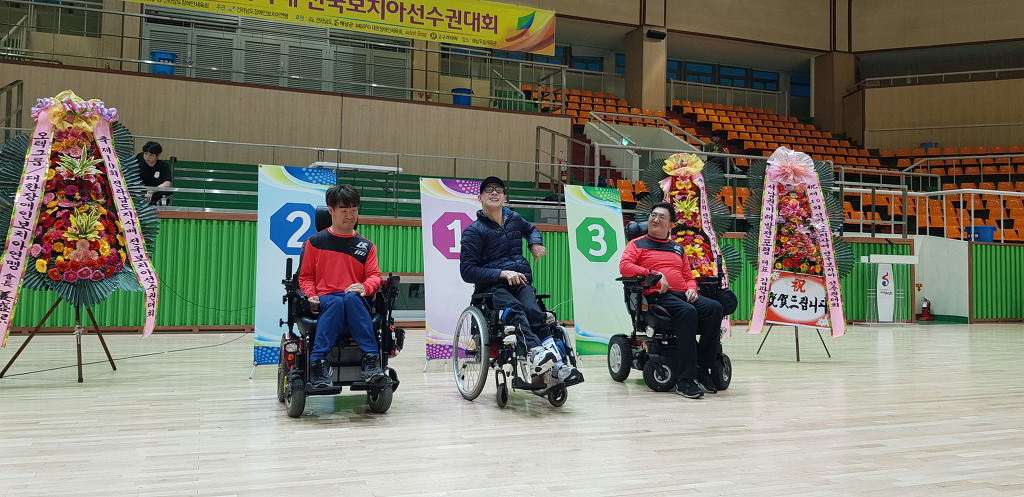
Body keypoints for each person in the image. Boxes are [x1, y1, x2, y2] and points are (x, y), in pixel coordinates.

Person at [460, 176, 582, 385]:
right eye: (488, 189)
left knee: (534, 312)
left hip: (521, 281)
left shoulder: (514, 219)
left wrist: (534, 243)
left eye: (499, 189)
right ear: (479, 198)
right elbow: (467, 271)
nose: (494, 192)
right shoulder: (473, 231)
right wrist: (502, 273)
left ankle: (558, 365)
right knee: (515, 310)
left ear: (504, 197)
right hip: (492, 288)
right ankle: (535, 351)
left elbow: (531, 229)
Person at [619, 202, 723, 399]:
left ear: (671, 225)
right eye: (653, 215)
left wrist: (692, 289)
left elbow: (688, 276)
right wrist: (653, 274)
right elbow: (625, 266)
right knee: (687, 312)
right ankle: (685, 380)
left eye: (662, 217)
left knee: (715, 308)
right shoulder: (636, 244)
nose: (655, 219)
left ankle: (702, 368)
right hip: (656, 295)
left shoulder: (677, 248)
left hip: (682, 294)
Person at [298, 185, 385, 388]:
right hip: (327, 297)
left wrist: (365, 287)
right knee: (337, 302)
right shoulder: (315, 242)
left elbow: (374, 276)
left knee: (351, 298)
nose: (350, 215)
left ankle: (371, 359)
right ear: (331, 210)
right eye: (344, 210)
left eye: (353, 210)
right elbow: (306, 277)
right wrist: (311, 296)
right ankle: (318, 362)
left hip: (355, 298)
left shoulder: (367, 246)